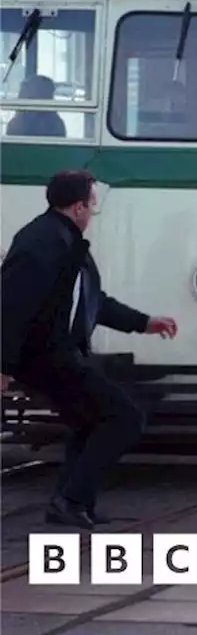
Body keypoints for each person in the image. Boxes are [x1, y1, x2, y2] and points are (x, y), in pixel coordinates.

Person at [0, 170, 178, 530]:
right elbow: (10, 306)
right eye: (93, 204)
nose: (93, 213)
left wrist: (144, 322)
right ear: (79, 206)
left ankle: (71, 503)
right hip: (46, 357)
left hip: (55, 354)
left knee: (89, 421)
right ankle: (71, 501)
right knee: (123, 418)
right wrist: (2, 366)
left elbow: (93, 302)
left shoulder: (63, 239)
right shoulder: (43, 242)